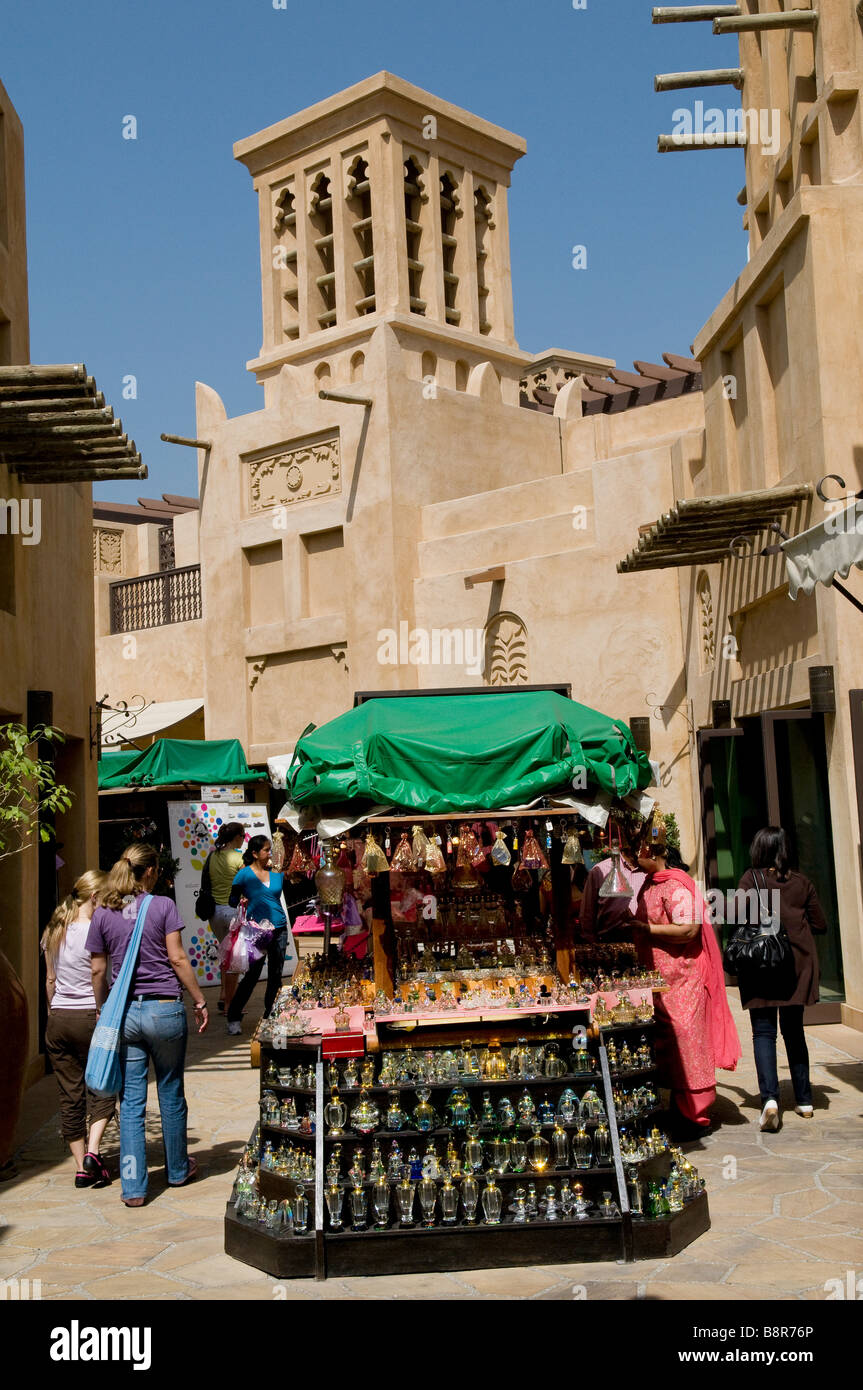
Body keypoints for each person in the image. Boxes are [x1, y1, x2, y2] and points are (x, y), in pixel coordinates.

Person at [87, 844, 209, 1207]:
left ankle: (134, 1186)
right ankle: (176, 1170)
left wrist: (102, 1007)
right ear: (152, 871)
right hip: (164, 1010)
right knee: (171, 1090)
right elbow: (177, 957)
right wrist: (199, 999)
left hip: (124, 1014)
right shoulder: (163, 905)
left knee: (131, 1101)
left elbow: (97, 968)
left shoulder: (103, 912)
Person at [633, 814, 741, 1137]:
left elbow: (688, 928)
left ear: (651, 850)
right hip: (662, 980)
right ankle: (679, 1107)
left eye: (636, 849)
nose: (631, 857)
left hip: (684, 980)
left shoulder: (677, 885)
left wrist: (646, 929)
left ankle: (695, 1115)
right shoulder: (652, 884)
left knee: (687, 1040)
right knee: (670, 1043)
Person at [735, 826, 828, 1132]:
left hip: (761, 964)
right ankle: (804, 1101)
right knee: (794, 1031)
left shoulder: (751, 879)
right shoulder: (802, 882)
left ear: (759, 849)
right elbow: (820, 923)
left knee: (764, 1033)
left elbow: (737, 917)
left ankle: (770, 1100)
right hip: (796, 966)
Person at [41, 870, 116, 1188]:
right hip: (91, 1016)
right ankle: (94, 1151)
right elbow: (100, 971)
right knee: (105, 1083)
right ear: (95, 898)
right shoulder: (96, 931)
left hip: (58, 1018)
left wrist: (52, 1012)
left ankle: (81, 1165)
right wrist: (103, 1009)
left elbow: (50, 980)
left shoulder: (53, 930)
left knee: (69, 1095)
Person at [225, 835, 288, 1036]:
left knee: (276, 976)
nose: (270, 853)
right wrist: (241, 899)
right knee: (251, 976)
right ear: (254, 853)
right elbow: (232, 901)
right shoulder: (243, 875)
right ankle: (234, 1017)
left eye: (270, 849)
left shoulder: (277, 874)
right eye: (266, 850)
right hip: (256, 932)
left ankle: (272, 1015)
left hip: (279, 928)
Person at [206, 822, 246, 1015]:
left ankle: (223, 994)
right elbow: (248, 881)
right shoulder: (239, 858)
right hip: (233, 912)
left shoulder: (213, 856)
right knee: (234, 959)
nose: (244, 839)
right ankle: (231, 1004)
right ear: (237, 837)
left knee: (224, 955)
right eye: (243, 835)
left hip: (214, 913)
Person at [578, 830, 646, 942]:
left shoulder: (650, 872)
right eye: (636, 840)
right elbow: (587, 915)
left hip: (645, 944)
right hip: (610, 943)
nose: (641, 845)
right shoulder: (600, 871)